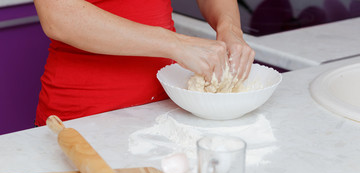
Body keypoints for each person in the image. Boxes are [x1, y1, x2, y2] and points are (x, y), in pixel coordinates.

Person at [33, 0, 255, 126]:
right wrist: (176, 44)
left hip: (168, 112)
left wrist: (229, 28)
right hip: (83, 119)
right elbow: (58, 15)